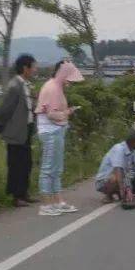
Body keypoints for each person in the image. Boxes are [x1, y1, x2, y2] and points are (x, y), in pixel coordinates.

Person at [34, 60, 84, 216]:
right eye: (69, 78)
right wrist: (68, 113)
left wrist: (66, 112)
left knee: (56, 168)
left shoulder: (56, 86)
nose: (70, 82)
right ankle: (46, 205)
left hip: (55, 130)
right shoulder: (53, 88)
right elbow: (51, 113)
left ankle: (57, 201)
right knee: (49, 168)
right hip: (51, 131)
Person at [0, 54, 39, 207]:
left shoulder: (26, 84)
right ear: (25, 68)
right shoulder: (15, 86)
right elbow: (5, 111)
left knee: (26, 163)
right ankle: (16, 196)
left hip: (25, 131)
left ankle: (24, 193)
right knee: (16, 165)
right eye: (33, 67)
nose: (35, 70)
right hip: (16, 132)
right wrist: (1, 128)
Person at [94, 131, 135, 208]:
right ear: (134, 142)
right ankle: (109, 195)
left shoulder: (133, 150)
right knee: (115, 177)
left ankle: (121, 192)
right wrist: (123, 192)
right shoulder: (119, 149)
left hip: (123, 178)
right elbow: (118, 171)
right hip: (104, 181)